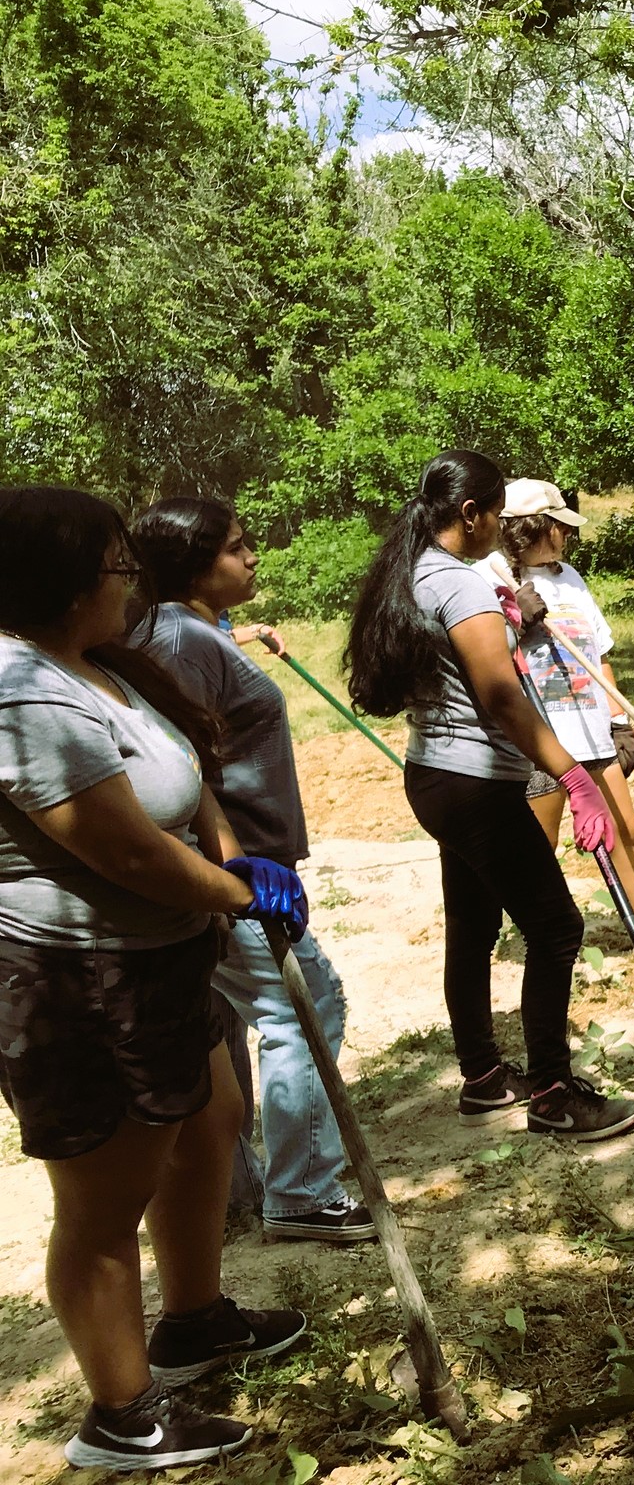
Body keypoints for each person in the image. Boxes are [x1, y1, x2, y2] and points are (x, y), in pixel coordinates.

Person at [0, 486, 308, 1469]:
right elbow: (123, 852)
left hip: (164, 957)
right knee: (102, 1198)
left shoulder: (89, 664)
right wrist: (231, 891)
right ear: (63, 581)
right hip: (80, 977)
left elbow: (181, 774)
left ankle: (192, 1320)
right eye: (115, 567)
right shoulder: (18, 690)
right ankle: (122, 1414)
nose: (128, 581)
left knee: (210, 1121)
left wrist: (230, 853)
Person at [345, 451, 634, 1141]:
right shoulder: (459, 584)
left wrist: (505, 616)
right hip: (475, 783)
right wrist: (573, 777)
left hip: (435, 775)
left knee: (474, 926)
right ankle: (554, 1093)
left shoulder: (415, 572)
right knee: (556, 926)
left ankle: (482, 1077)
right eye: (496, 513)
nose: (503, 526)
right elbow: (503, 697)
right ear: (471, 514)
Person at [130, 498, 373, 1245]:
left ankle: (241, 1186)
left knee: (233, 1020)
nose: (254, 557)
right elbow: (178, 760)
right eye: (237, 548)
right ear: (195, 566)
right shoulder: (179, 638)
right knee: (306, 1008)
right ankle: (300, 1193)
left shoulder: (197, 630)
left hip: (251, 864)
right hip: (234, 871)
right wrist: (229, 867)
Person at [483, 478, 634, 966]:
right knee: (538, 845)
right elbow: (483, 658)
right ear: (533, 529)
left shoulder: (571, 579)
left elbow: (599, 653)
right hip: (538, 736)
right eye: (558, 527)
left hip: (590, 728)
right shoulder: (492, 578)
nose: (567, 536)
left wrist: (618, 719)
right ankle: (531, 935)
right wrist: (514, 620)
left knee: (624, 828)